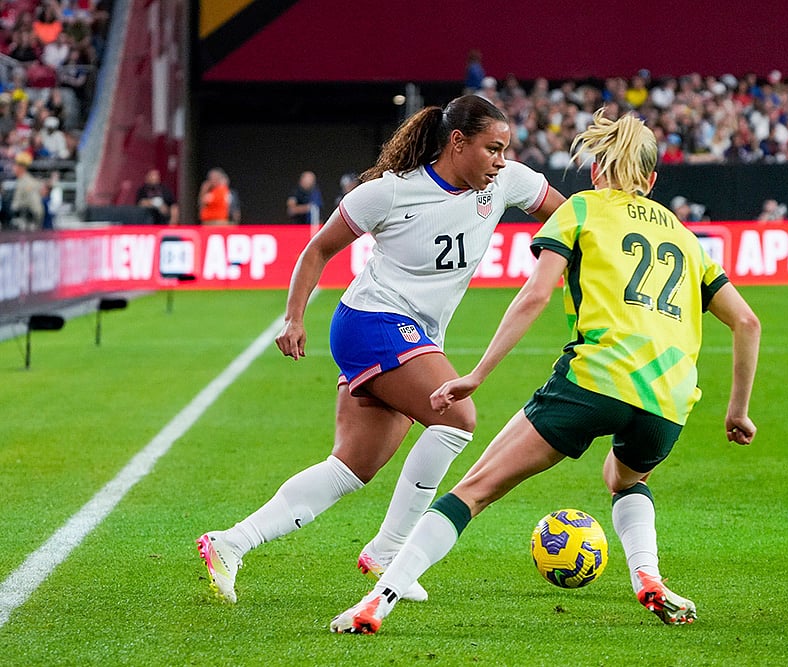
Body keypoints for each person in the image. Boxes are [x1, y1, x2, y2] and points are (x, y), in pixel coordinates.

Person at [331, 109, 761, 634]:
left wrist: (478, 374)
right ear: (651, 180)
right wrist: (736, 411)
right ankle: (647, 576)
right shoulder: (687, 238)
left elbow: (534, 295)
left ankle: (378, 601)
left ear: (598, 172)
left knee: (474, 491)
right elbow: (746, 321)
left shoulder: (580, 210)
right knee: (626, 478)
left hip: (595, 380)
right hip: (668, 400)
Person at [196, 94, 565, 605]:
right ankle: (391, 550)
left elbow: (569, 218)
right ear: (457, 143)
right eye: (492, 149)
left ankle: (229, 543)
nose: (501, 161)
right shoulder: (389, 194)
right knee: (457, 417)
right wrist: (295, 317)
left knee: (351, 468)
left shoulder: (505, 183)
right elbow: (318, 249)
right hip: (371, 321)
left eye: (506, 150)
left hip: (415, 334)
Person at [10, 151, 44, 231]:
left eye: (15, 165)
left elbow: (37, 208)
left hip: (26, 225)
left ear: (21, 167)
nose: (13, 167)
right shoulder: (20, 181)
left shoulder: (28, 183)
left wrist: (34, 223)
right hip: (18, 223)